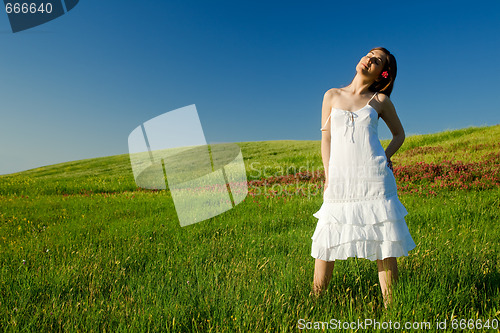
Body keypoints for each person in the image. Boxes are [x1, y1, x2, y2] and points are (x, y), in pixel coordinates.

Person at [311, 47, 416, 308]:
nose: (369, 58)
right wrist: (328, 176)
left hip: (375, 179)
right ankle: (314, 301)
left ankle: (392, 308)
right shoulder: (332, 95)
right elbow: (326, 139)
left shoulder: (380, 101)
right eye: (369, 53)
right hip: (340, 179)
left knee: (385, 241)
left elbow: (399, 135)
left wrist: (386, 156)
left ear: (382, 72)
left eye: (376, 59)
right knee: (328, 236)